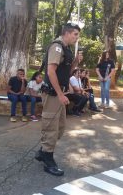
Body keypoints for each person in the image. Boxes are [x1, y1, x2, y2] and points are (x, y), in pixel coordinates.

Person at [35, 23, 82, 176]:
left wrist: (75, 62)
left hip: (59, 93)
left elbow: (65, 73)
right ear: (67, 33)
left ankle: (43, 152)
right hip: (52, 94)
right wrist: (60, 94)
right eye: (75, 34)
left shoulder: (66, 49)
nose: (77, 37)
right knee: (51, 127)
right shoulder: (57, 47)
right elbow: (51, 71)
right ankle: (48, 160)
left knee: (60, 127)